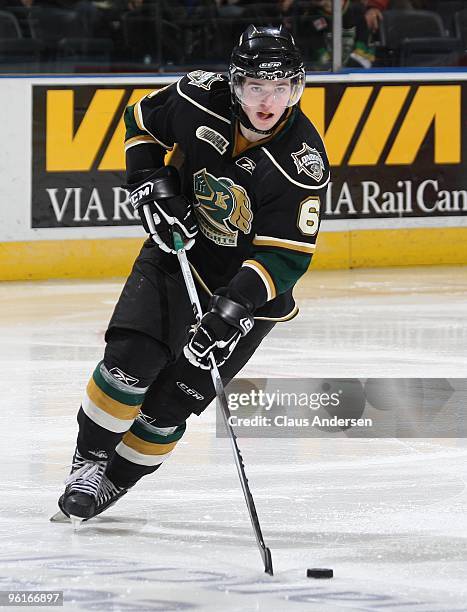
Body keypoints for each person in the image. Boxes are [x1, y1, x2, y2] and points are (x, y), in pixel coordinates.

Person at [57, 24, 330, 524]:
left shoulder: (301, 163)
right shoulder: (197, 96)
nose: (268, 101)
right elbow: (140, 122)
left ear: (297, 87)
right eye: (255, 87)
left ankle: (114, 482)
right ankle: (90, 463)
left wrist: (232, 310)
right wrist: (147, 180)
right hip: (179, 253)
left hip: (247, 296)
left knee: (170, 404)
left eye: (281, 87)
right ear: (234, 83)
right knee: (129, 361)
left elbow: (286, 256)